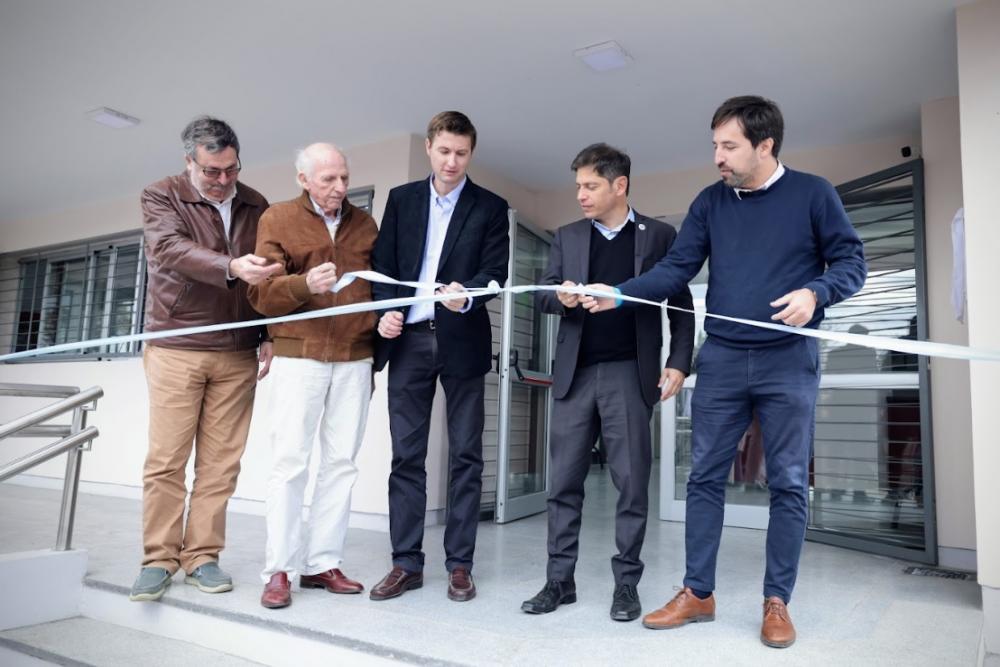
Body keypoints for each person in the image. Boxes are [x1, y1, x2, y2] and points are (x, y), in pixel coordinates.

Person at [581, 96, 867, 648]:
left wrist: (817, 292)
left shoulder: (813, 194)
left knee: (786, 482)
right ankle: (698, 593)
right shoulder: (711, 203)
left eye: (729, 146)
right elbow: (674, 271)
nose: (717, 156)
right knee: (704, 477)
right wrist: (618, 294)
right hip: (725, 361)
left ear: (765, 145)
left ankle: (777, 601)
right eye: (715, 144)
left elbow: (852, 262)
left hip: (789, 361)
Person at [521, 143, 695, 622]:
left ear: (620, 186)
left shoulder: (659, 235)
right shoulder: (568, 235)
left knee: (632, 485)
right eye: (578, 185)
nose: (581, 194)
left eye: (591, 185)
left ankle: (626, 585)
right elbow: (543, 296)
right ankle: (559, 582)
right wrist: (561, 298)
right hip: (575, 376)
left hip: (629, 374)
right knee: (563, 484)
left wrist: (680, 361)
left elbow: (681, 305)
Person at [130, 116, 280, 602]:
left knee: (221, 465)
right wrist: (231, 266)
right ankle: (158, 559)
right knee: (167, 461)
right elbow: (170, 249)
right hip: (176, 343)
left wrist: (268, 332)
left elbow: (271, 275)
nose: (222, 180)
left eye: (230, 170)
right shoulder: (161, 194)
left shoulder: (257, 204)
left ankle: (203, 558)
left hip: (237, 351)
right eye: (212, 171)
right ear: (189, 161)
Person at [369, 111, 509, 602]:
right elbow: (383, 267)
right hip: (407, 340)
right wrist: (385, 316)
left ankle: (460, 564)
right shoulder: (401, 200)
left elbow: (496, 272)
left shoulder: (491, 206)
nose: (452, 161)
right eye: (444, 150)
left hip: (462, 340)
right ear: (429, 147)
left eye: (462, 153)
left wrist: (466, 295)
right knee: (406, 456)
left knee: (466, 455)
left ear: (471, 154)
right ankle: (406, 563)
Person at [247, 143, 378, 609]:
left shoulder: (365, 224)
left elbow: (378, 286)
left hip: (354, 358)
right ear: (303, 179)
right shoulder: (277, 219)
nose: (340, 188)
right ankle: (278, 570)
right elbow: (260, 296)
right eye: (328, 180)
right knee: (290, 464)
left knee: (341, 464)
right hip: (298, 358)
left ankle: (321, 564)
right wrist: (306, 284)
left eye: (343, 178)